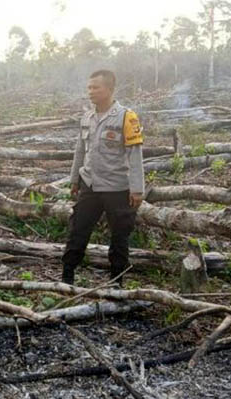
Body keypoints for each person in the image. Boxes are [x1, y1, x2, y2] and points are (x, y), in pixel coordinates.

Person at [61, 70, 145, 286]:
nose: (91, 92)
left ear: (109, 89)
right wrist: (74, 179)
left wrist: (137, 189)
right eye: (89, 87)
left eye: (95, 87)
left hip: (117, 187)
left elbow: (134, 154)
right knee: (78, 230)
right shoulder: (87, 117)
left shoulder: (126, 117)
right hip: (89, 184)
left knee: (119, 236)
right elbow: (80, 151)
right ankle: (67, 277)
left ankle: (116, 282)